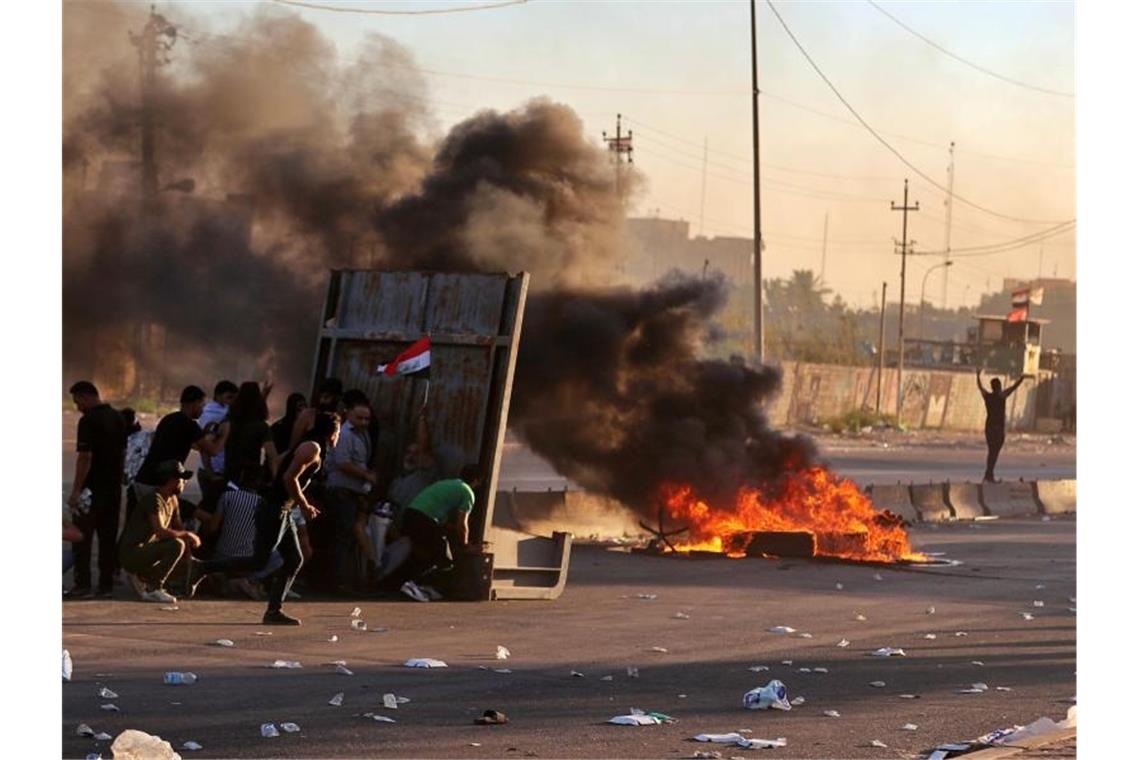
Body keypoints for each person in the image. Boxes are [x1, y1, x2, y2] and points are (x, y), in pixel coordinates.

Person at [193, 413, 341, 625]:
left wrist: (286, 495)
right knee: (258, 561)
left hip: (283, 509)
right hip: (275, 509)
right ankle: (203, 568)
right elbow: (289, 477)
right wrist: (303, 504)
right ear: (332, 432)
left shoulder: (309, 446)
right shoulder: (313, 448)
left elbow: (280, 462)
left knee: (293, 559)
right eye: (339, 432)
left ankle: (273, 611)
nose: (339, 437)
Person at [66, 381, 127, 599]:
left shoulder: (88, 421)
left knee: (82, 538)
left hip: (91, 490)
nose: (77, 408)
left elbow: (85, 457)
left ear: (85, 397)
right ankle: (106, 585)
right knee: (108, 538)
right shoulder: (118, 418)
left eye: (77, 402)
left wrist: (76, 491)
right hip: (113, 489)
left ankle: (82, 585)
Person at [395, 465, 484, 602]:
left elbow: (442, 522)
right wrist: (465, 545)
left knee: (425, 553)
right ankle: (415, 585)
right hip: (423, 519)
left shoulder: (447, 483)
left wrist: (452, 529)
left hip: (410, 515)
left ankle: (420, 586)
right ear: (477, 480)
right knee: (444, 558)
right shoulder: (468, 492)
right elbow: (463, 524)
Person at [117, 460, 201, 604]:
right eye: (182, 479)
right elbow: (161, 532)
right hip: (133, 553)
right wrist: (188, 535)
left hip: (149, 551)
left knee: (184, 554)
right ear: (172, 480)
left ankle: (144, 577)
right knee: (176, 544)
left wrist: (189, 558)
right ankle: (154, 588)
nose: (184, 483)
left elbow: (178, 527)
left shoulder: (173, 499)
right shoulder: (154, 499)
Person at [326, 399, 378, 589]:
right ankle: (336, 580)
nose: (364, 422)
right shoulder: (345, 435)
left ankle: (342, 577)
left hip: (354, 491)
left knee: (347, 535)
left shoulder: (362, 435)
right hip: (341, 490)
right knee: (342, 535)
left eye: (367, 419)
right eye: (360, 418)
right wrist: (365, 475)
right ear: (348, 414)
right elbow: (342, 462)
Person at [976, 368, 1029, 483]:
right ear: (999, 386)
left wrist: (977, 375)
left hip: (989, 427)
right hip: (998, 429)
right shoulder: (1002, 396)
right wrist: (1021, 379)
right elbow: (1013, 388)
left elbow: (980, 387)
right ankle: (988, 475)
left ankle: (989, 474)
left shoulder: (988, 397)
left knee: (991, 451)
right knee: (995, 452)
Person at [222, 382, 278, 487]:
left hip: (229, 474)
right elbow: (272, 455)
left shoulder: (228, 423)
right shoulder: (262, 427)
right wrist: (275, 479)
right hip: (250, 477)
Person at [197, 380, 238, 515]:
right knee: (213, 513)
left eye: (234, 398)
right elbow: (205, 446)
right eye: (229, 397)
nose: (232, 401)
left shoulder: (221, 411)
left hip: (214, 470)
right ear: (218, 396)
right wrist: (212, 474)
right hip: (213, 471)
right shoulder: (214, 415)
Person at [289, 378, 343, 450]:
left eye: (326, 397)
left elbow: (332, 447)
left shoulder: (335, 419)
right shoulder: (308, 415)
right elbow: (293, 445)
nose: (322, 400)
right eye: (321, 397)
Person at [270, 393, 307, 461]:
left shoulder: (306, 427)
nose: (303, 410)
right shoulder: (279, 426)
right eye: (300, 407)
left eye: (304, 406)